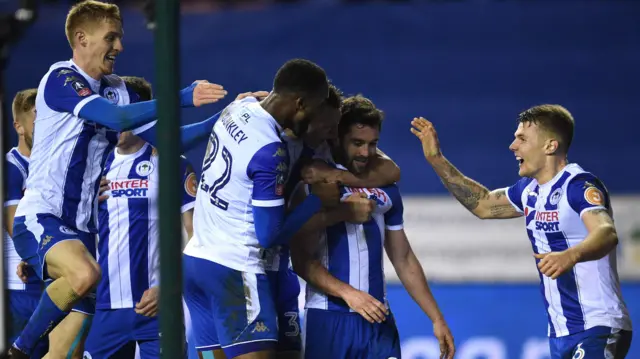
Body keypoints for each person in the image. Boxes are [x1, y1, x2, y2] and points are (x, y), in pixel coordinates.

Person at [6, 1, 225, 358]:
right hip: (42, 216)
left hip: (83, 231)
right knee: (86, 275)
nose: (119, 47)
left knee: (64, 353)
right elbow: (115, 118)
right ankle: (17, 349)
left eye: (120, 38)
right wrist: (181, 97)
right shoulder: (60, 79)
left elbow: (167, 139)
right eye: (111, 38)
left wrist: (225, 119)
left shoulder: (118, 89)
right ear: (81, 39)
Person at [410, 105, 632, 358]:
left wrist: (571, 255)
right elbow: (483, 204)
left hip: (598, 325)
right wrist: (436, 160)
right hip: (561, 332)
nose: (512, 146)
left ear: (550, 146)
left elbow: (606, 232)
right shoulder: (529, 190)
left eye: (522, 139)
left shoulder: (578, 186)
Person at [183, 58, 339, 359]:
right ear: (300, 103)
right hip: (235, 269)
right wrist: (317, 202)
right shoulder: (271, 149)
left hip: (198, 261)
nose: (327, 129)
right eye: (318, 111)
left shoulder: (238, 109)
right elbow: (269, 235)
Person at [290, 95, 455, 359]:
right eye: (357, 143)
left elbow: (403, 258)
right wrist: (350, 295)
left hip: (377, 319)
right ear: (336, 137)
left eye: (372, 144)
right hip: (328, 319)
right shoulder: (313, 183)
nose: (366, 153)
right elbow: (300, 259)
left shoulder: (385, 188)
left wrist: (436, 318)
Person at [251, 84, 402, 359]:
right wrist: (341, 213)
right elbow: (275, 234)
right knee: (222, 353)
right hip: (251, 269)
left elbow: (392, 170)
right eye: (328, 126)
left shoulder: (325, 159)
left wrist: (338, 175)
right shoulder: (274, 141)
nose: (331, 134)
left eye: (335, 127)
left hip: (281, 274)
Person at [82, 76, 197, 359]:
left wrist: (169, 287)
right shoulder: (94, 167)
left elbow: (197, 235)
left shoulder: (171, 164)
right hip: (105, 308)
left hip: (157, 306)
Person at [3, 89, 49, 359]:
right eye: (36, 120)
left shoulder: (49, 165)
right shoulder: (11, 167)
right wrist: (36, 258)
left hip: (47, 281)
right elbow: (13, 224)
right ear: (19, 126)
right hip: (20, 287)